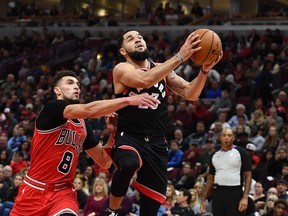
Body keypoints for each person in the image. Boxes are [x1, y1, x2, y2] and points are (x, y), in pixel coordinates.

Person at [10, 70, 160, 216]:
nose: (76, 86)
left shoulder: (82, 124)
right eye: (70, 83)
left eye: (78, 84)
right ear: (57, 90)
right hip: (34, 190)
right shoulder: (51, 109)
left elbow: (104, 161)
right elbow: (89, 110)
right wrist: (127, 100)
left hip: (63, 193)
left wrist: (112, 133)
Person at [107, 29, 222, 216]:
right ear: (123, 51)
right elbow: (144, 80)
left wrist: (204, 71)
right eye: (130, 39)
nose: (137, 40)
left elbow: (190, 93)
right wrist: (180, 56)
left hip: (157, 143)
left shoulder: (162, 68)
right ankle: (112, 210)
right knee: (128, 163)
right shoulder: (121, 69)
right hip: (130, 137)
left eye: (140, 37)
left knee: (151, 209)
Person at [200, 127, 252, 216]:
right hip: (217, 193)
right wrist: (204, 199)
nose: (226, 137)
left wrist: (245, 197)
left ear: (233, 138)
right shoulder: (214, 154)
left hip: (235, 192)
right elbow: (210, 178)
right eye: (224, 135)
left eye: (229, 135)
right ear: (220, 138)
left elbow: (248, 175)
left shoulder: (241, 152)